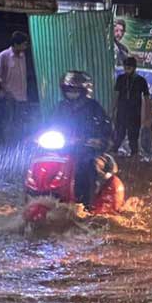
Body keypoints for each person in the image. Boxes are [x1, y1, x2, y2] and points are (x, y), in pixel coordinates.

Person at [49, 71, 113, 210]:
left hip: (86, 150)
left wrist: (98, 140)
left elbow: (106, 128)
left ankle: (87, 205)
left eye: (75, 91)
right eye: (68, 90)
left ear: (84, 91)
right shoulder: (61, 107)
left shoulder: (94, 108)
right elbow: (49, 124)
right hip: (63, 149)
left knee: (88, 166)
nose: (71, 93)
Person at [113, 56, 151, 158]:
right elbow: (116, 95)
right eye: (125, 67)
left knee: (133, 135)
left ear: (134, 67)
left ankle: (134, 155)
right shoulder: (121, 79)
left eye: (129, 67)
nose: (127, 69)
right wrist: (113, 109)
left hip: (135, 112)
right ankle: (114, 153)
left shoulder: (141, 80)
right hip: (122, 111)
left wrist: (148, 115)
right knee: (119, 133)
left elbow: (147, 98)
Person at [0, 31, 30, 142]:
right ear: (15, 44)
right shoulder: (4, 55)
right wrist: (6, 91)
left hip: (21, 96)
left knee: (19, 122)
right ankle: (6, 146)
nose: (25, 47)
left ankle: (17, 145)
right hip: (8, 97)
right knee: (7, 122)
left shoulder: (23, 56)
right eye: (23, 44)